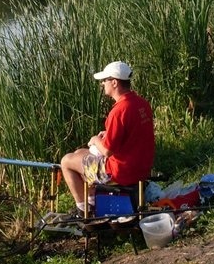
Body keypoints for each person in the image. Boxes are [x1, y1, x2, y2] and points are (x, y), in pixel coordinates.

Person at [60, 61, 155, 217]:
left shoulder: (119, 111)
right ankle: (92, 199)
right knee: (79, 152)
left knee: (67, 161)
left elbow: (108, 151)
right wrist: (108, 133)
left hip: (121, 172)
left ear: (114, 82)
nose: (103, 83)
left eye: (105, 80)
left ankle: (83, 209)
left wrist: (95, 139)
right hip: (141, 167)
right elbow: (133, 132)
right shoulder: (141, 103)